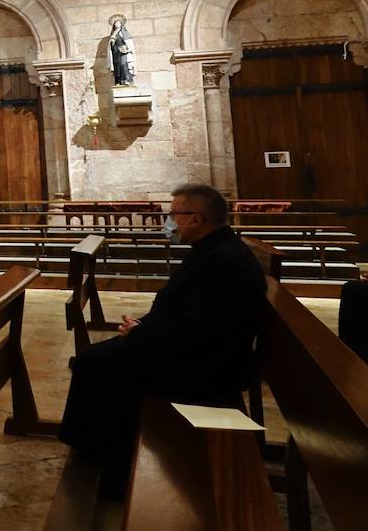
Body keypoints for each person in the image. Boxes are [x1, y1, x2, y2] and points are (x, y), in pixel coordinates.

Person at [59, 183, 266, 498]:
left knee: (94, 364)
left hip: (205, 369)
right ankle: (102, 453)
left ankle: (101, 466)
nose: (169, 222)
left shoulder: (221, 261)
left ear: (195, 219)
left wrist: (143, 333)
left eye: (174, 215)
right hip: (195, 353)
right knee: (96, 358)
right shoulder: (213, 250)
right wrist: (143, 325)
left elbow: (200, 331)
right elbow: (184, 310)